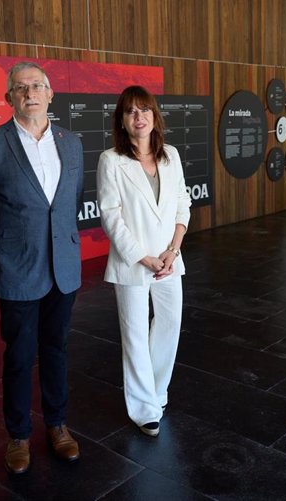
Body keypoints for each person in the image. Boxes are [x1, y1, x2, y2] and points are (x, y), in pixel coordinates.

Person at [0, 61, 84, 473]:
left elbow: (67, 206)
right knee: (18, 356)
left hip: (63, 270)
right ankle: (17, 435)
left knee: (56, 350)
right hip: (17, 271)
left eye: (37, 85)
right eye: (20, 87)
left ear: (51, 94)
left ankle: (57, 425)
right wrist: (4, 249)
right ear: (9, 98)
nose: (30, 92)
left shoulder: (72, 143)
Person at [96, 86, 191, 437]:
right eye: (131, 111)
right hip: (133, 261)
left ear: (155, 116)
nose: (139, 117)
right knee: (134, 333)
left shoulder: (172, 157)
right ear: (122, 120)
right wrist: (144, 257)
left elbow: (183, 204)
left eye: (145, 110)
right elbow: (111, 216)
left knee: (169, 324)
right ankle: (142, 409)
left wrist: (173, 250)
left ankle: (156, 392)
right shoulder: (111, 161)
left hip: (169, 259)